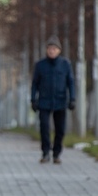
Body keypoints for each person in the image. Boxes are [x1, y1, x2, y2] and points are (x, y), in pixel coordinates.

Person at [31, 36, 75, 164]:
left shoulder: (65, 64)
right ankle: (45, 152)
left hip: (60, 101)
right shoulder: (40, 65)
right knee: (44, 127)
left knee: (60, 129)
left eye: (54, 49)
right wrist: (33, 99)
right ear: (46, 50)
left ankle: (56, 153)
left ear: (59, 50)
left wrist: (72, 98)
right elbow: (34, 83)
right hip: (44, 101)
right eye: (50, 48)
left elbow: (70, 82)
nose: (52, 51)